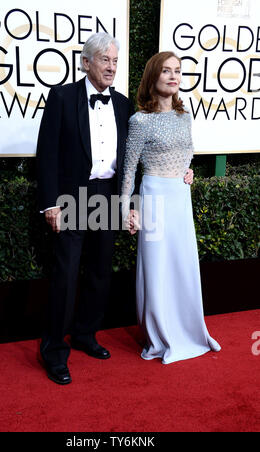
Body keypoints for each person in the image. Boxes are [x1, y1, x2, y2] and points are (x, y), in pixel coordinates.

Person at [36, 33, 134, 385]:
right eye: (105, 60)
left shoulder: (123, 104)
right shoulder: (62, 97)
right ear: (86, 62)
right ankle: (53, 350)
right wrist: (51, 203)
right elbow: (46, 154)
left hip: (107, 194)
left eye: (114, 61)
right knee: (66, 274)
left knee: (100, 271)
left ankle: (85, 334)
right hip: (72, 197)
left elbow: (133, 158)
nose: (111, 67)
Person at [121, 51, 221, 365]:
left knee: (182, 264)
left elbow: (186, 155)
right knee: (156, 268)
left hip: (179, 197)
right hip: (154, 196)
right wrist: (125, 210)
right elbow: (128, 170)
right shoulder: (139, 120)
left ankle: (190, 331)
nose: (173, 76)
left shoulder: (184, 116)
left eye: (177, 71)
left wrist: (188, 172)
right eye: (166, 71)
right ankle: (159, 336)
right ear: (153, 76)